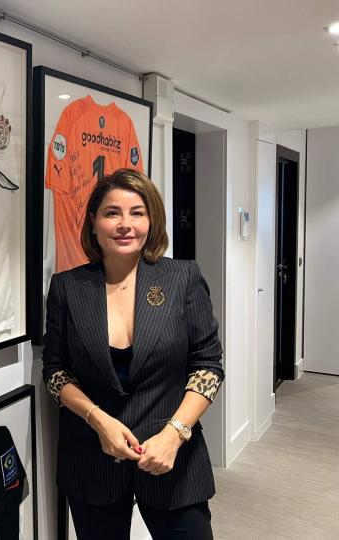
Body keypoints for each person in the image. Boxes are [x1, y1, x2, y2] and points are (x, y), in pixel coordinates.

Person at [43, 168, 224, 540]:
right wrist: (98, 419)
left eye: (137, 213)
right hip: (91, 459)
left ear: (151, 220)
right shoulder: (67, 287)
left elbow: (208, 366)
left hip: (172, 457)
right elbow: (56, 371)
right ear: (93, 222)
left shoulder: (183, 278)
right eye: (112, 213)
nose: (125, 224)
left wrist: (174, 434)